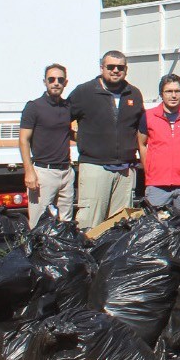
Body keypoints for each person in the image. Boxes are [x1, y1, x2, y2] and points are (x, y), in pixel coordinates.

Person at [66, 50, 144, 229]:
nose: (115, 70)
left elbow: (140, 129)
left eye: (120, 67)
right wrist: (79, 138)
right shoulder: (84, 92)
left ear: (126, 69)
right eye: (110, 67)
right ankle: (86, 256)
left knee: (120, 225)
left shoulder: (134, 94)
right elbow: (62, 121)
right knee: (90, 223)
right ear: (102, 68)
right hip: (95, 167)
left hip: (125, 169)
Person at [19, 63, 75, 226]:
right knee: (38, 223)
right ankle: (36, 252)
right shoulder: (34, 107)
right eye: (51, 79)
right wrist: (29, 172)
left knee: (66, 223)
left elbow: (67, 132)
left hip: (66, 171)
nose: (56, 82)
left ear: (66, 82)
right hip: (43, 172)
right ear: (45, 82)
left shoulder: (67, 107)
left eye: (60, 79)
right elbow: (23, 140)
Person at [138, 74, 180, 219]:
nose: (173, 95)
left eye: (177, 91)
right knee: (156, 229)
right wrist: (150, 170)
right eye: (169, 91)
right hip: (157, 185)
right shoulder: (148, 116)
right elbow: (142, 144)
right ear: (161, 94)